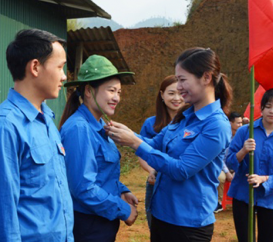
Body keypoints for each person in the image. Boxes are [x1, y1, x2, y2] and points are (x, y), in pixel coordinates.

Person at [106, 47, 233, 241]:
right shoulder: (184, 116)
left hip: (188, 225)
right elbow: (155, 143)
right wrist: (127, 134)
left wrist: (136, 143)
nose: (179, 87)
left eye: (183, 80)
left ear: (206, 77)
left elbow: (181, 170)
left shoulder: (216, 125)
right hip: (161, 214)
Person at [0, 29, 74, 242]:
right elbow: (1, 217)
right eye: (60, 67)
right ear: (35, 67)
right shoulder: (2, 128)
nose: (64, 76)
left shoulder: (47, 119)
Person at [59, 55, 138, 241]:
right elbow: (83, 187)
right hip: (88, 225)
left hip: (101, 220)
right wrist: (123, 209)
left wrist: (122, 190)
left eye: (119, 92)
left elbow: (102, 173)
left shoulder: (101, 124)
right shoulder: (79, 129)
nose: (117, 98)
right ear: (88, 90)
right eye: (111, 90)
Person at [227, 89, 273, 242]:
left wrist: (264, 179)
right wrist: (243, 151)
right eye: (268, 106)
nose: (272, 111)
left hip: (271, 198)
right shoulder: (245, 131)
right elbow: (229, 161)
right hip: (243, 194)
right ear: (261, 108)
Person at [138, 75, 184, 227]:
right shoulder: (150, 124)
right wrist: (152, 171)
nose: (176, 98)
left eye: (180, 92)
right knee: (157, 229)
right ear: (162, 95)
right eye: (171, 93)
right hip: (156, 183)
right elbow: (142, 154)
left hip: (182, 185)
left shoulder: (192, 123)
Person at [215, 112, 242, 213]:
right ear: (230, 123)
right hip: (222, 166)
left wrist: (236, 170)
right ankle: (218, 202)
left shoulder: (242, 136)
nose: (240, 125)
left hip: (237, 166)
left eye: (241, 122)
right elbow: (220, 157)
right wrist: (227, 172)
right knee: (220, 178)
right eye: (238, 123)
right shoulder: (224, 135)